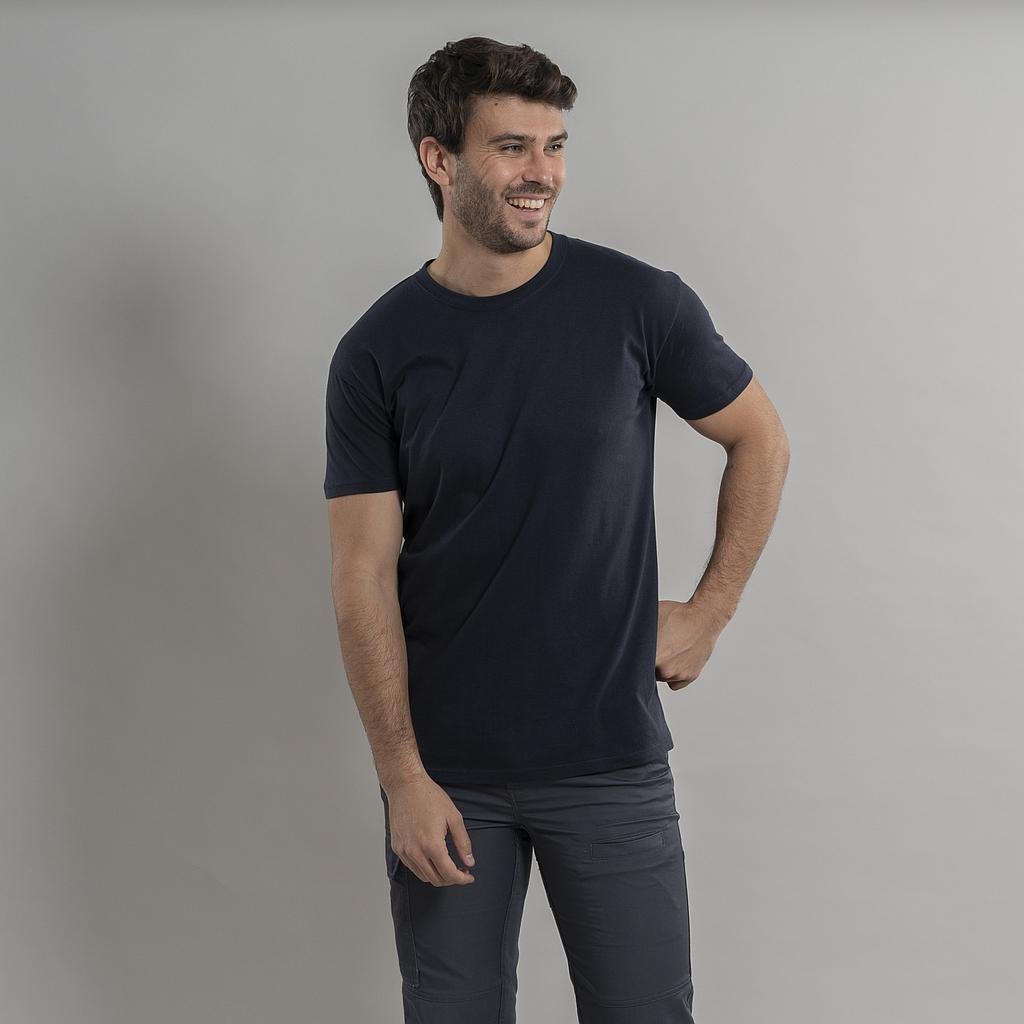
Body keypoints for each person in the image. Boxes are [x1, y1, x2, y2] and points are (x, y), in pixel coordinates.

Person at [324, 36, 790, 1024]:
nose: (542, 172)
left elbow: (760, 438)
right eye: (511, 147)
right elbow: (361, 571)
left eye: (555, 145)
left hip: (610, 756)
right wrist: (401, 777)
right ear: (438, 159)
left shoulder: (637, 303)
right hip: (448, 775)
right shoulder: (377, 351)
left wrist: (709, 612)